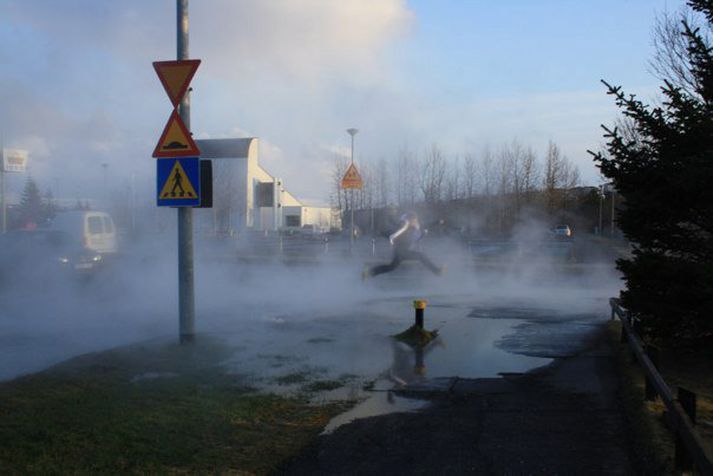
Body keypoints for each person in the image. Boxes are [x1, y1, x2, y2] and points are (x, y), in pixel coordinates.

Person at [364, 211, 444, 279]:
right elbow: (394, 222)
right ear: (410, 219)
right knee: (421, 256)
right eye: (415, 219)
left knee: (390, 267)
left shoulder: (413, 226)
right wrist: (391, 215)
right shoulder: (404, 225)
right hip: (401, 251)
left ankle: (368, 273)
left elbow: (426, 224)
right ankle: (437, 271)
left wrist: (437, 222)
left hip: (400, 252)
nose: (416, 221)